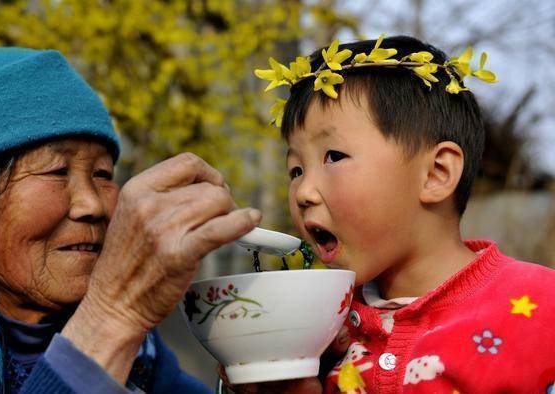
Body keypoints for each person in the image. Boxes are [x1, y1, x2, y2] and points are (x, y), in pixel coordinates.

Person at [0, 47, 261, 393]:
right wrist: (111, 319)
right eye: (57, 170)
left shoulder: (144, 357)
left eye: (102, 173)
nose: (92, 204)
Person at [233, 35, 555, 392]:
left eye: (333, 157)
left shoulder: (545, 310)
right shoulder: (313, 332)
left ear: (436, 174)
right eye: (296, 170)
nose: (304, 193)